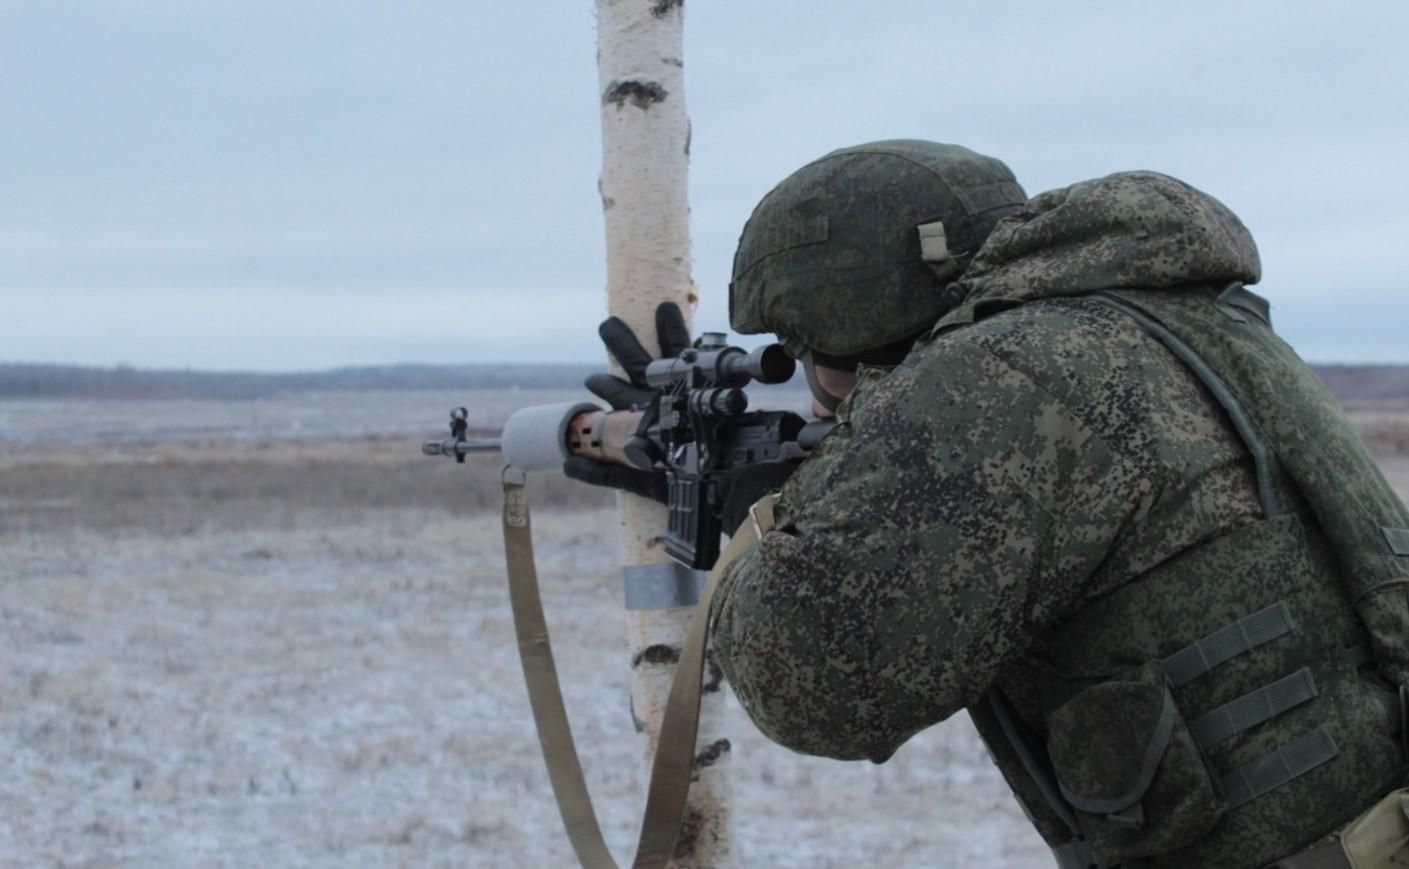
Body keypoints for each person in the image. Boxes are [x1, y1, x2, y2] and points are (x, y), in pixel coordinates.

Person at [569, 140, 1409, 868]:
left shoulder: (991, 379)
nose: (821, 397)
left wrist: (755, 512)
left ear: (869, 327)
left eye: (812, 356)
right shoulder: (1167, 314)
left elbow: (815, 687)